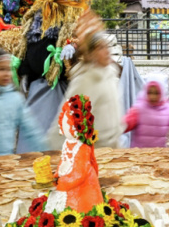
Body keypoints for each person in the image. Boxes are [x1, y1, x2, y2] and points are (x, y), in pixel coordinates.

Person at [47, 12, 123, 150]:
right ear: (90, 54)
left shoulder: (110, 74)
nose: (107, 51)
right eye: (100, 48)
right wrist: (53, 150)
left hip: (113, 147)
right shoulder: (86, 81)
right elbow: (68, 118)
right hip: (96, 150)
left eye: (106, 46)